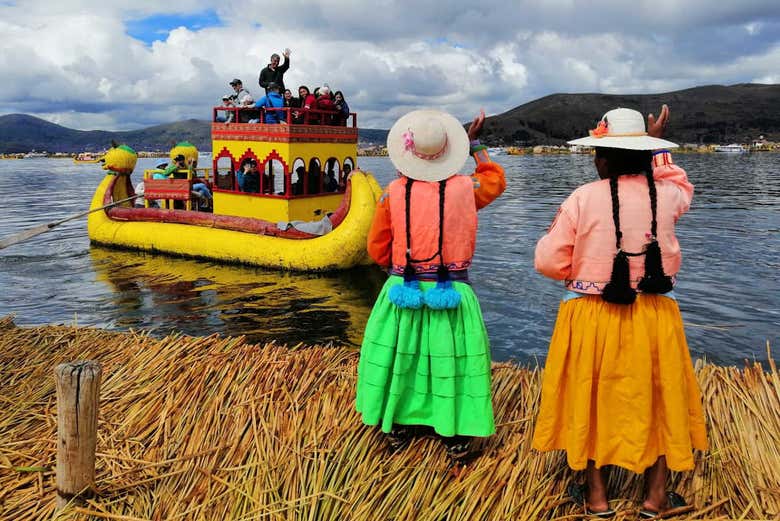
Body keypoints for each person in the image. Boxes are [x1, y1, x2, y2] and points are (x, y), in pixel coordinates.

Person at [531, 106, 707, 518]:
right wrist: (657, 149)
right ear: (645, 154)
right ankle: (655, 497)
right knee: (660, 396)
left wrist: (580, 274)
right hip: (655, 315)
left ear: (603, 159)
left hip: (593, 315)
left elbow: (548, 261)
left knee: (591, 395)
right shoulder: (667, 196)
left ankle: (597, 497)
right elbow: (680, 184)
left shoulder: (582, 197)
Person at [355, 109, 506, 463]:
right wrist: (476, 144)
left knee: (401, 355)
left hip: (403, 288)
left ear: (407, 153)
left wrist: (401, 267)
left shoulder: (392, 193)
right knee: (451, 359)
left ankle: (398, 425)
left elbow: (376, 248)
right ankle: (454, 434)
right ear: (448, 152)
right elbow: (496, 179)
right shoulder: (466, 189)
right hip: (450, 291)